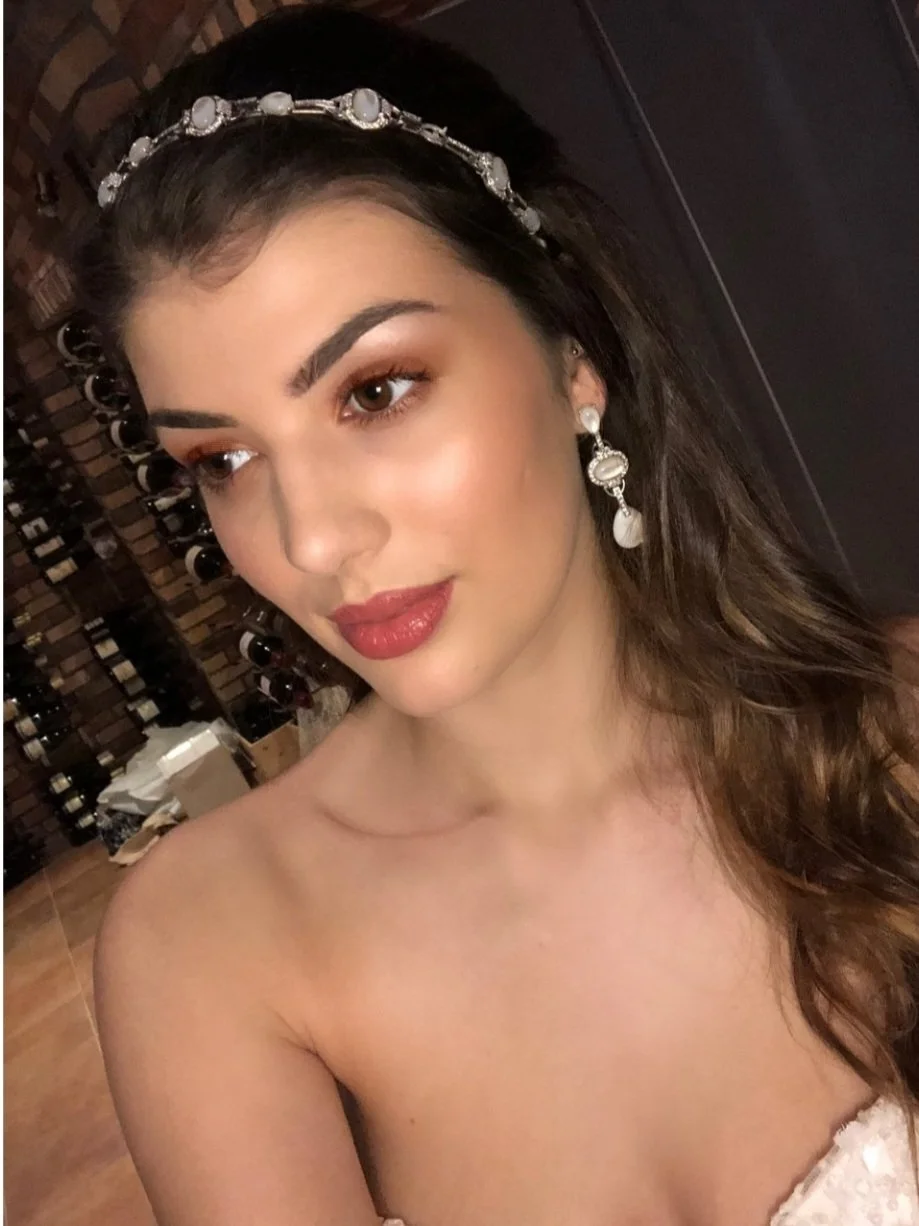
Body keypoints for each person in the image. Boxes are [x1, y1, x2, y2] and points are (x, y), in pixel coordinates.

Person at [73, 3, 919, 1223]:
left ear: (571, 355)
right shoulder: (213, 945)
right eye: (225, 459)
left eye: (377, 390)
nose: (313, 540)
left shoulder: (895, 731)